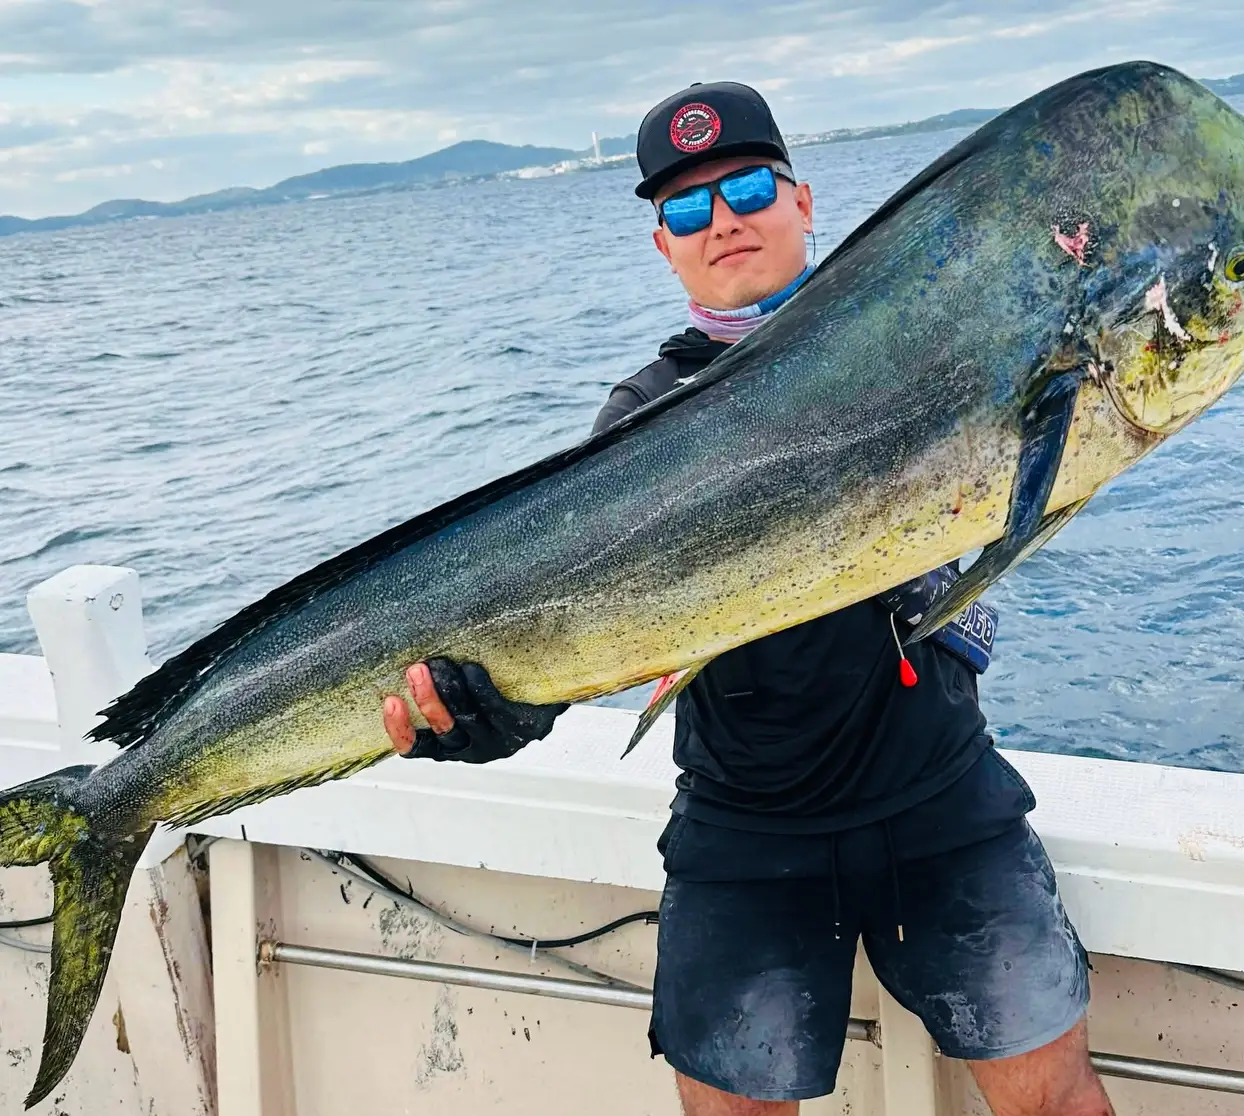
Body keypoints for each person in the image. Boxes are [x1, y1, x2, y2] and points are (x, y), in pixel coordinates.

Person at [381, 82, 1114, 1116]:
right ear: (664, 250)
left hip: (942, 796)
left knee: (1058, 1100)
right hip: (747, 827)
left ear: (805, 202)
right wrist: (490, 711)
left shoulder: (918, 345)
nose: (722, 220)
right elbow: (588, 629)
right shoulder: (640, 422)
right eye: (686, 209)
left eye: (749, 189)